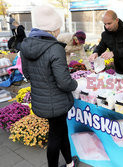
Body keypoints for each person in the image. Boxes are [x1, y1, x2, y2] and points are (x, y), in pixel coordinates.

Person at [19, 5, 79, 167]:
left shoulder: (26, 46)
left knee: (60, 131)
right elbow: (65, 82)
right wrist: (76, 84)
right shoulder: (54, 48)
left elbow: (28, 74)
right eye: (58, 27)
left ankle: (69, 162)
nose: (60, 30)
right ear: (52, 28)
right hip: (56, 102)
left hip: (41, 99)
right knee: (55, 136)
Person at [88, 10, 123, 89]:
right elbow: (101, 46)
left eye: (109, 23)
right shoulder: (105, 34)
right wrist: (95, 53)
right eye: (105, 24)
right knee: (120, 96)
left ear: (116, 20)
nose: (107, 27)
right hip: (119, 72)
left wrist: (113, 53)